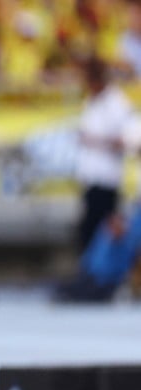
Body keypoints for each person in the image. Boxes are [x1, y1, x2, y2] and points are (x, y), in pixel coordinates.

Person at [75, 55, 133, 253]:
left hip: (107, 179)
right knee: (88, 230)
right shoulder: (91, 102)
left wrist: (95, 141)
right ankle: (91, 274)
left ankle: (100, 275)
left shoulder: (117, 103)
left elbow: (128, 140)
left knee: (101, 232)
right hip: (91, 178)